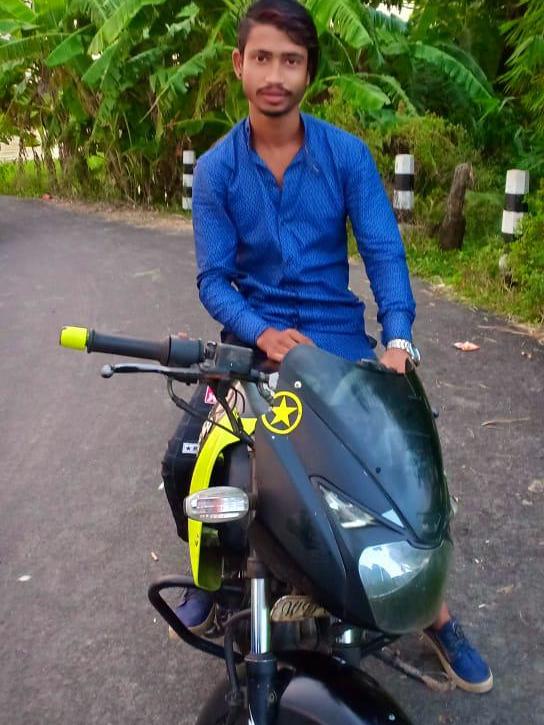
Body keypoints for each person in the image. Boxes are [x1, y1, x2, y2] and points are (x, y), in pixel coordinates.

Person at [162, 0, 493, 694]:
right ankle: (212, 578)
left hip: (338, 344)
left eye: (290, 60)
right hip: (251, 351)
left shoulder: (345, 155)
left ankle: (432, 611)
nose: (274, 75)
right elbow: (213, 278)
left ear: (308, 71)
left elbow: (383, 250)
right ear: (239, 65)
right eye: (262, 58)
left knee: (396, 471)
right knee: (187, 459)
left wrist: (397, 338)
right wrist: (259, 332)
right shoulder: (218, 170)